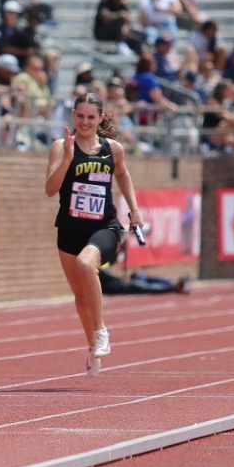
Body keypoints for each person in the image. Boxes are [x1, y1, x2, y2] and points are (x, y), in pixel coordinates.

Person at [44, 92, 147, 374]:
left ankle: (101, 331)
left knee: (85, 264)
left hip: (105, 226)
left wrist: (134, 210)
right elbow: (50, 189)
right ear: (73, 116)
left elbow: (123, 174)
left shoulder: (112, 149)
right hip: (69, 229)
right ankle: (92, 348)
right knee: (80, 296)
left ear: (100, 118)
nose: (85, 122)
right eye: (80, 116)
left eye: (91, 117)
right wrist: (67, 157)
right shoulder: (59, 147)